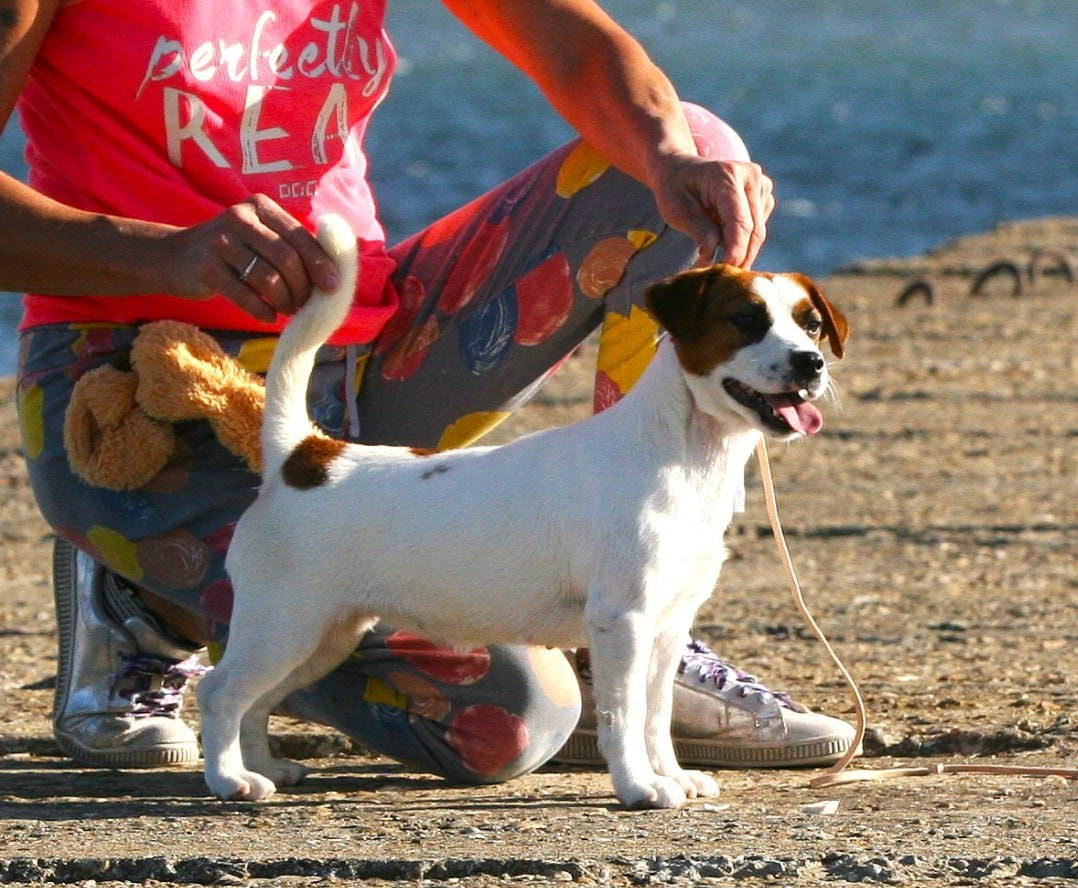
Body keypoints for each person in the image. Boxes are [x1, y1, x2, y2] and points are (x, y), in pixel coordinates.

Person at [3, 0, 855, 782]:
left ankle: (622, 588)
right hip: (139, 390)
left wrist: (675, 158)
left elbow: (577, 50)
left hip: (365, 356)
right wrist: (164, 253)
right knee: (511, 722)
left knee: (685, 151)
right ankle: (143, 599)